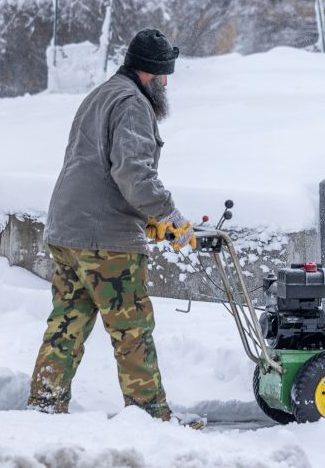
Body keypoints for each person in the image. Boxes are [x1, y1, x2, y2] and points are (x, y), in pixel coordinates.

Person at [27, 28, 193, 420]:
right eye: (165, 76)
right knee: (132, 330)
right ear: (152, 74)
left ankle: (43, 407)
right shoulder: (133, 103)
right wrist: (170, 216)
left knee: (66, 324)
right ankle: (151, 418)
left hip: (68, 232)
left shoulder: (102, 94)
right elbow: (133, 174)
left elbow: (101, 168)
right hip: (105, 240)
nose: (167, 84)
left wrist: (147, 218)